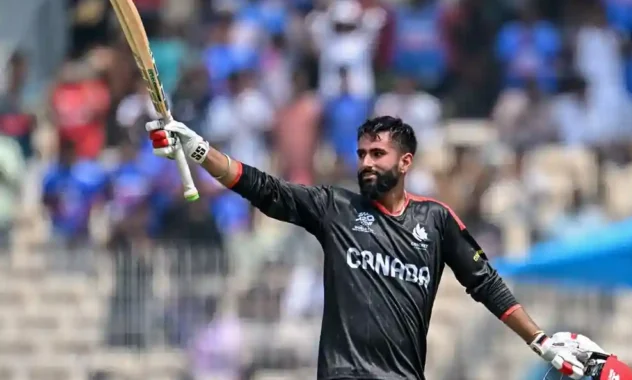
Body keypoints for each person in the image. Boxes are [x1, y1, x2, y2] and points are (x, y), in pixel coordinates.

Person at [144, 115, 586, 379]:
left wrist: (540, 341)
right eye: (362, 154)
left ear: (405, 162)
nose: (367, 163)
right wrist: (200, 150)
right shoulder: (335, 207)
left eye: (378, 154)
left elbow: (486, 284)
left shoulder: (435, 220)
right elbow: (264, 188)